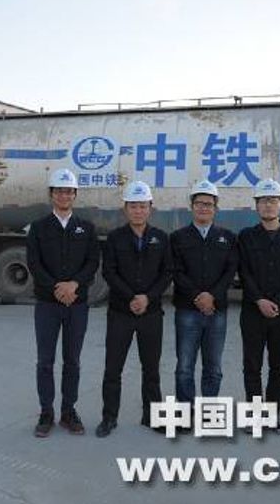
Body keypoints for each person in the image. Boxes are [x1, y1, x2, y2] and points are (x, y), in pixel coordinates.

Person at [95, 181, 173, 438]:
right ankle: (109, 417)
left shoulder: (161, 238)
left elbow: (167, 273)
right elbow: (109, 272)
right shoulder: (115, 238)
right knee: (113, 368)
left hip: (151, 314)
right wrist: (131, 297)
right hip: (121, 312)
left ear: (150, 208)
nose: (138, 211)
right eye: (133, 206)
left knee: (151, 368)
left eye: (143, 206)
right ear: (125, 209)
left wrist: (147, 298)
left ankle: (152, 416)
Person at [26, 168, 100, 438]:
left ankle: (69, 411)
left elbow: (92, 262)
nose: (64, 195)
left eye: (69, 191)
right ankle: (46, 412)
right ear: (51, 194)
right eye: (59, 191)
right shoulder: (39, 228)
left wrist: (74, 285)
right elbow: (34, 263)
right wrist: (56, 288)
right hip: (47, 304)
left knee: (72, 361)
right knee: (45, 361)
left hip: (77, 305)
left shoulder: (86, 228)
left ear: (75, 195)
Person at [237, 178, 280, 432]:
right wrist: (259, 300)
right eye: (263, 201)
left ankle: (275, 413)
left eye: (273, 201)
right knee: (252, 366)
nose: (268, 205)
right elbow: (243, 272)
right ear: (256, 205)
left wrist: (276, 303)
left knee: (279, 366)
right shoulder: (246, 237)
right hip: (252, 312)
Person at [170, 180, 238, 426]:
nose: (203, 208)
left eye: (208, 204)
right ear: (192, 206)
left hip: (216, 311)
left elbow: (230, 271)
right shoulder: (178, 237)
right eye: (199, 203)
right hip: (187, 310)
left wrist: (212, 296)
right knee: (184, 365)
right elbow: (175, 271)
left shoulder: (227, 238)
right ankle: (185, 412)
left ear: (215, 208)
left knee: (213, 366)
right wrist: (198, 296)